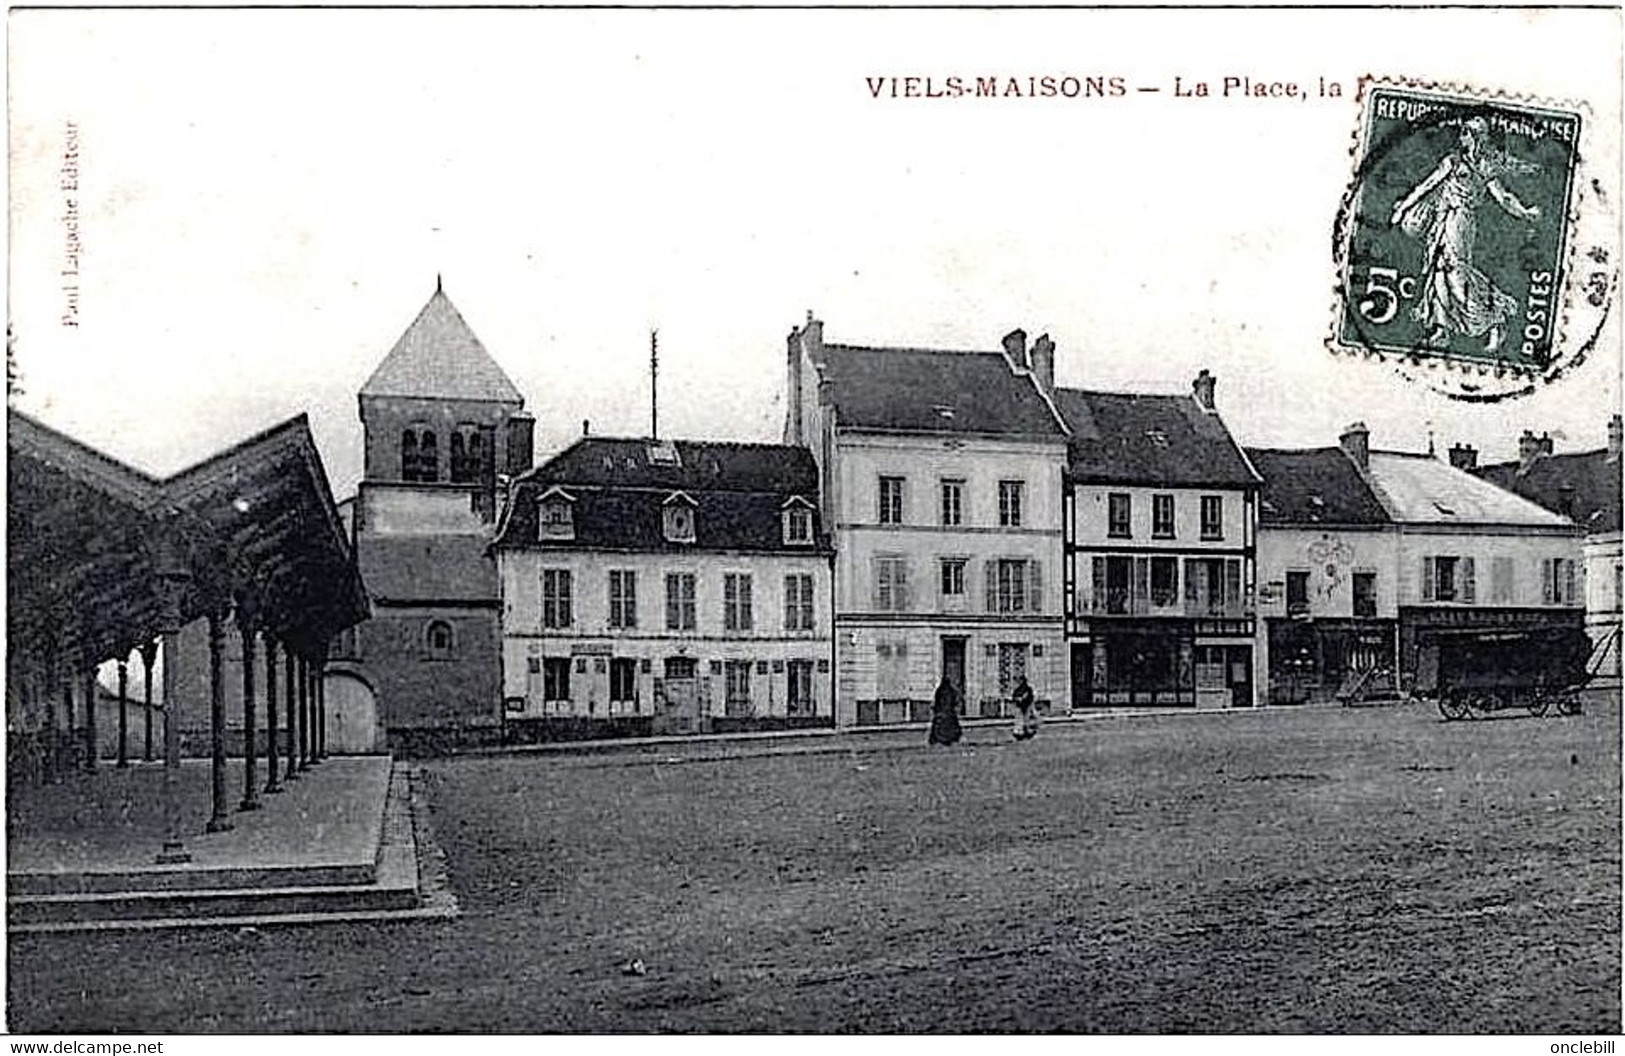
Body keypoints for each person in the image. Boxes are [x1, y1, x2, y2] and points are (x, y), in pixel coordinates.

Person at [1389, 116, 1542, 356]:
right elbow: (1426, 186)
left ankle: (1495, 318)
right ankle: (1442, 330)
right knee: (1438, 270)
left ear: (1477, 138)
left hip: (1461, 222)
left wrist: (1524, 212)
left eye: (1466, 134)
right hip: (1442, 220)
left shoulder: (1485, 167)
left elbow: (1503, 198)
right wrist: (1402, 208)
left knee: (1457, 272)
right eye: (1462, 133)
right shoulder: (1451, 161)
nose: (1462, 138)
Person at [928, 677, 962, 746]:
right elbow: (955, 701)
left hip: (942, 713)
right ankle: (951, 738)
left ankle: (939, 739)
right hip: (949, 713)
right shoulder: (951, 691)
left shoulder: (939, 691)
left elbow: (937, 702)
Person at [1010, 675, 1038, 741]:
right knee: (1021, 719)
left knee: (1024, 719)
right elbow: (1014, 696)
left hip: (1025, 706)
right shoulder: (1020, 689)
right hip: (1021, 706)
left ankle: (1023, 731)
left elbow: (1030, 697)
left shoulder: (1026, 689)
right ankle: (1022, 731)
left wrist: (1022, 700)